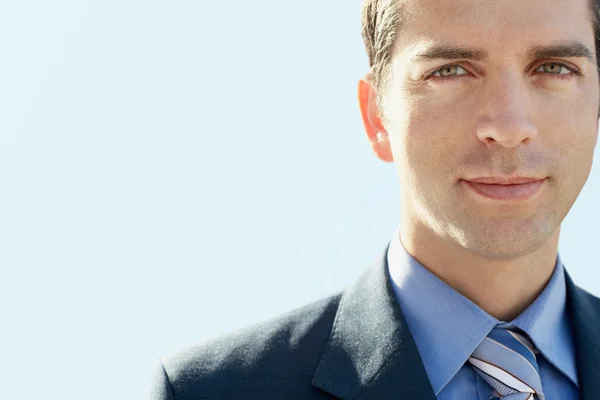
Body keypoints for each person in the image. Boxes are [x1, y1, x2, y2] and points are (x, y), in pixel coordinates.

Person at [150, 0, 600, 398]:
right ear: (376, 118)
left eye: (554, 67)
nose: (508, 126)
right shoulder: (212, 392)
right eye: (451, 70)